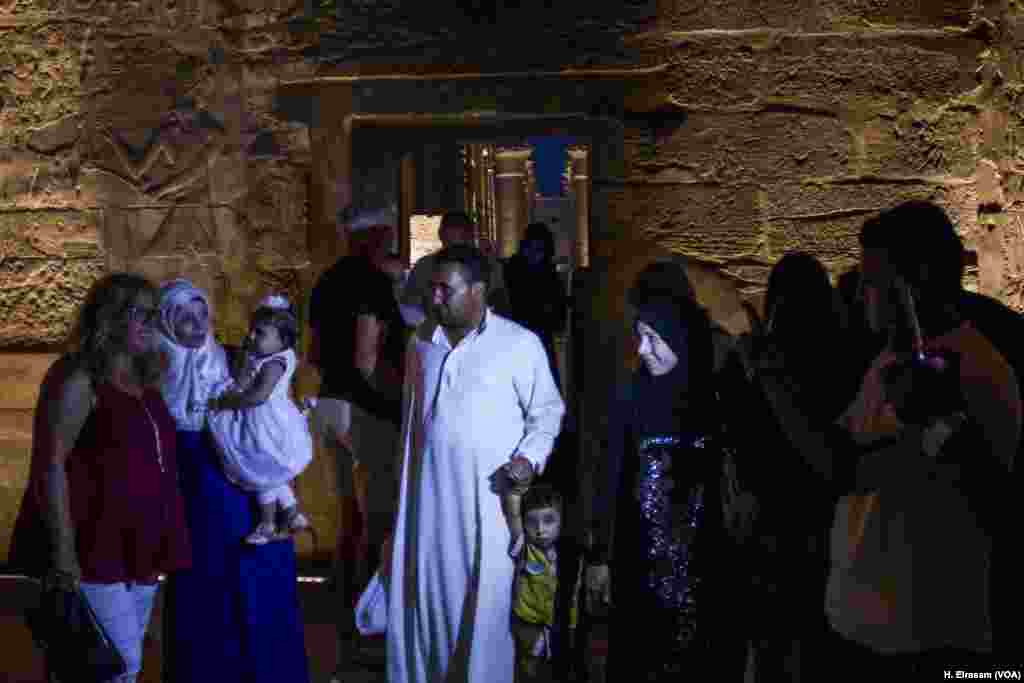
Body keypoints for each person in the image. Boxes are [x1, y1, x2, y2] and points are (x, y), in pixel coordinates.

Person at [749, 201, 1020, 677]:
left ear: (913, 282)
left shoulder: (965, 368)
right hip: (867, 629)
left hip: (923, 637)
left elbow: (844, 469)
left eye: (871, 280)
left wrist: (771, 379)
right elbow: (839, 443)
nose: (860, 296)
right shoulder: (888, 361)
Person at [386, 243, 566, 683]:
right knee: (428, 609)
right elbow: (413, 424)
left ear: (478, 291)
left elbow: (547, 411)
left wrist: (529, 458)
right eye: (432, 289)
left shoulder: (519, 344)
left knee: (484, 615)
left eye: (445, 290)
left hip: (488, 510)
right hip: (428, 512)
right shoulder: (420, 343)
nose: (435, 298)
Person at [9, 273, 192, 683]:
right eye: (140, 314)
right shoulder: (79, 378)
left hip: (140, 546)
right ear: (110, 317)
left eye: (155, 315)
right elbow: (50, 465)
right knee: (116, 667)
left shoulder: (146, 380)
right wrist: (64, 553)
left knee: (109, 666)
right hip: (93, 544)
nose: (151, 324)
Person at [585, 261, 739, 682]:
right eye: (640, 337)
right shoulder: (632, 396)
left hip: (705, 569)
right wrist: (601, 555)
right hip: (640, 567)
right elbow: (611, 476)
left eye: (653, 338)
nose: (643, 350)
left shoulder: (716, 399)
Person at [156, 279, 309, 683]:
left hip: (245, 487)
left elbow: (266, 414)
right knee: (204, 586)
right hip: (195, 495)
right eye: (184, 317)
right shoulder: (154, 370)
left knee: (261, 581)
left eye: (201, 314)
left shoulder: (233, 357)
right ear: (166, 322)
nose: (197, 324)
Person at [719, 252, 858, 682]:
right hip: (824, 522)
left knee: (774, 642)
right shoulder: (843, 358)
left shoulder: (762, 362)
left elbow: (740, 434)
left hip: (773, 520)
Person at [308, 217, 407, 680]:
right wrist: (394, 404)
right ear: (374, 238)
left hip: (328, 402)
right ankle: (370, 611)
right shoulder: (371, 284)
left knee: (348, 511)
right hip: (363, 410)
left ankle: (342, 604)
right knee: (377, 514)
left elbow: (314, 351)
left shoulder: (327, 279)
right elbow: (366, 360)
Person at [206, 295, 314, 544]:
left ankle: (267, 524)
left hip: (267, 423)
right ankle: (293, 514)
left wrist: (227, 403)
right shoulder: (261, 355)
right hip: (257, 420)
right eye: (252, 330)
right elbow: (242, 381)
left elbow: (258, 396)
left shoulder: (276, 362)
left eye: (260, 333)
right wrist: (244, 362)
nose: (252, 336)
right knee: (270, 471)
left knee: (262, 470)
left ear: (282, 340)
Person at [510, 484, 579, 683]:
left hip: (561, 626)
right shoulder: (525, 548)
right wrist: (514, 492)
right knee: (529, 674)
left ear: (561, 521)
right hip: (529, 626)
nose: (540, 530)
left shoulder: (569, 553)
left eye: (548, 520)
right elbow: (513, 516)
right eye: (532, 522)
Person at [400, 210, 508, 321]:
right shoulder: (424, 266)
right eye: (450, 245)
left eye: (460, 245)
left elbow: (499, 304)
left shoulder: (488, 265)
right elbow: (410, 306)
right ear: (441, 235)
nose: (453, 255)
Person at [502, 222, 569, 388]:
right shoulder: (544, 272)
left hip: (528, 337)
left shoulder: (514, 269)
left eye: (538, 250)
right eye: (531, 249)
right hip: (528, 337)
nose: (534, 255)